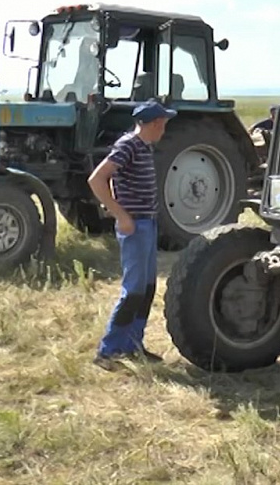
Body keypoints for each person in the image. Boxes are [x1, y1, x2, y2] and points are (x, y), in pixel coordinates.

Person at [87, 98, 177, 370]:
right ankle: (108, 351)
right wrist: (121, 215)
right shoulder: (127, 146)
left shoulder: (144, 147)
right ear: (155, 123)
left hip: (148, 224)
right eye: (164, 123)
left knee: (147, 288)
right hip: (135, 226)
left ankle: (133, 344)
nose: (165, 128)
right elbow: (97, 179)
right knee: (133, 291)